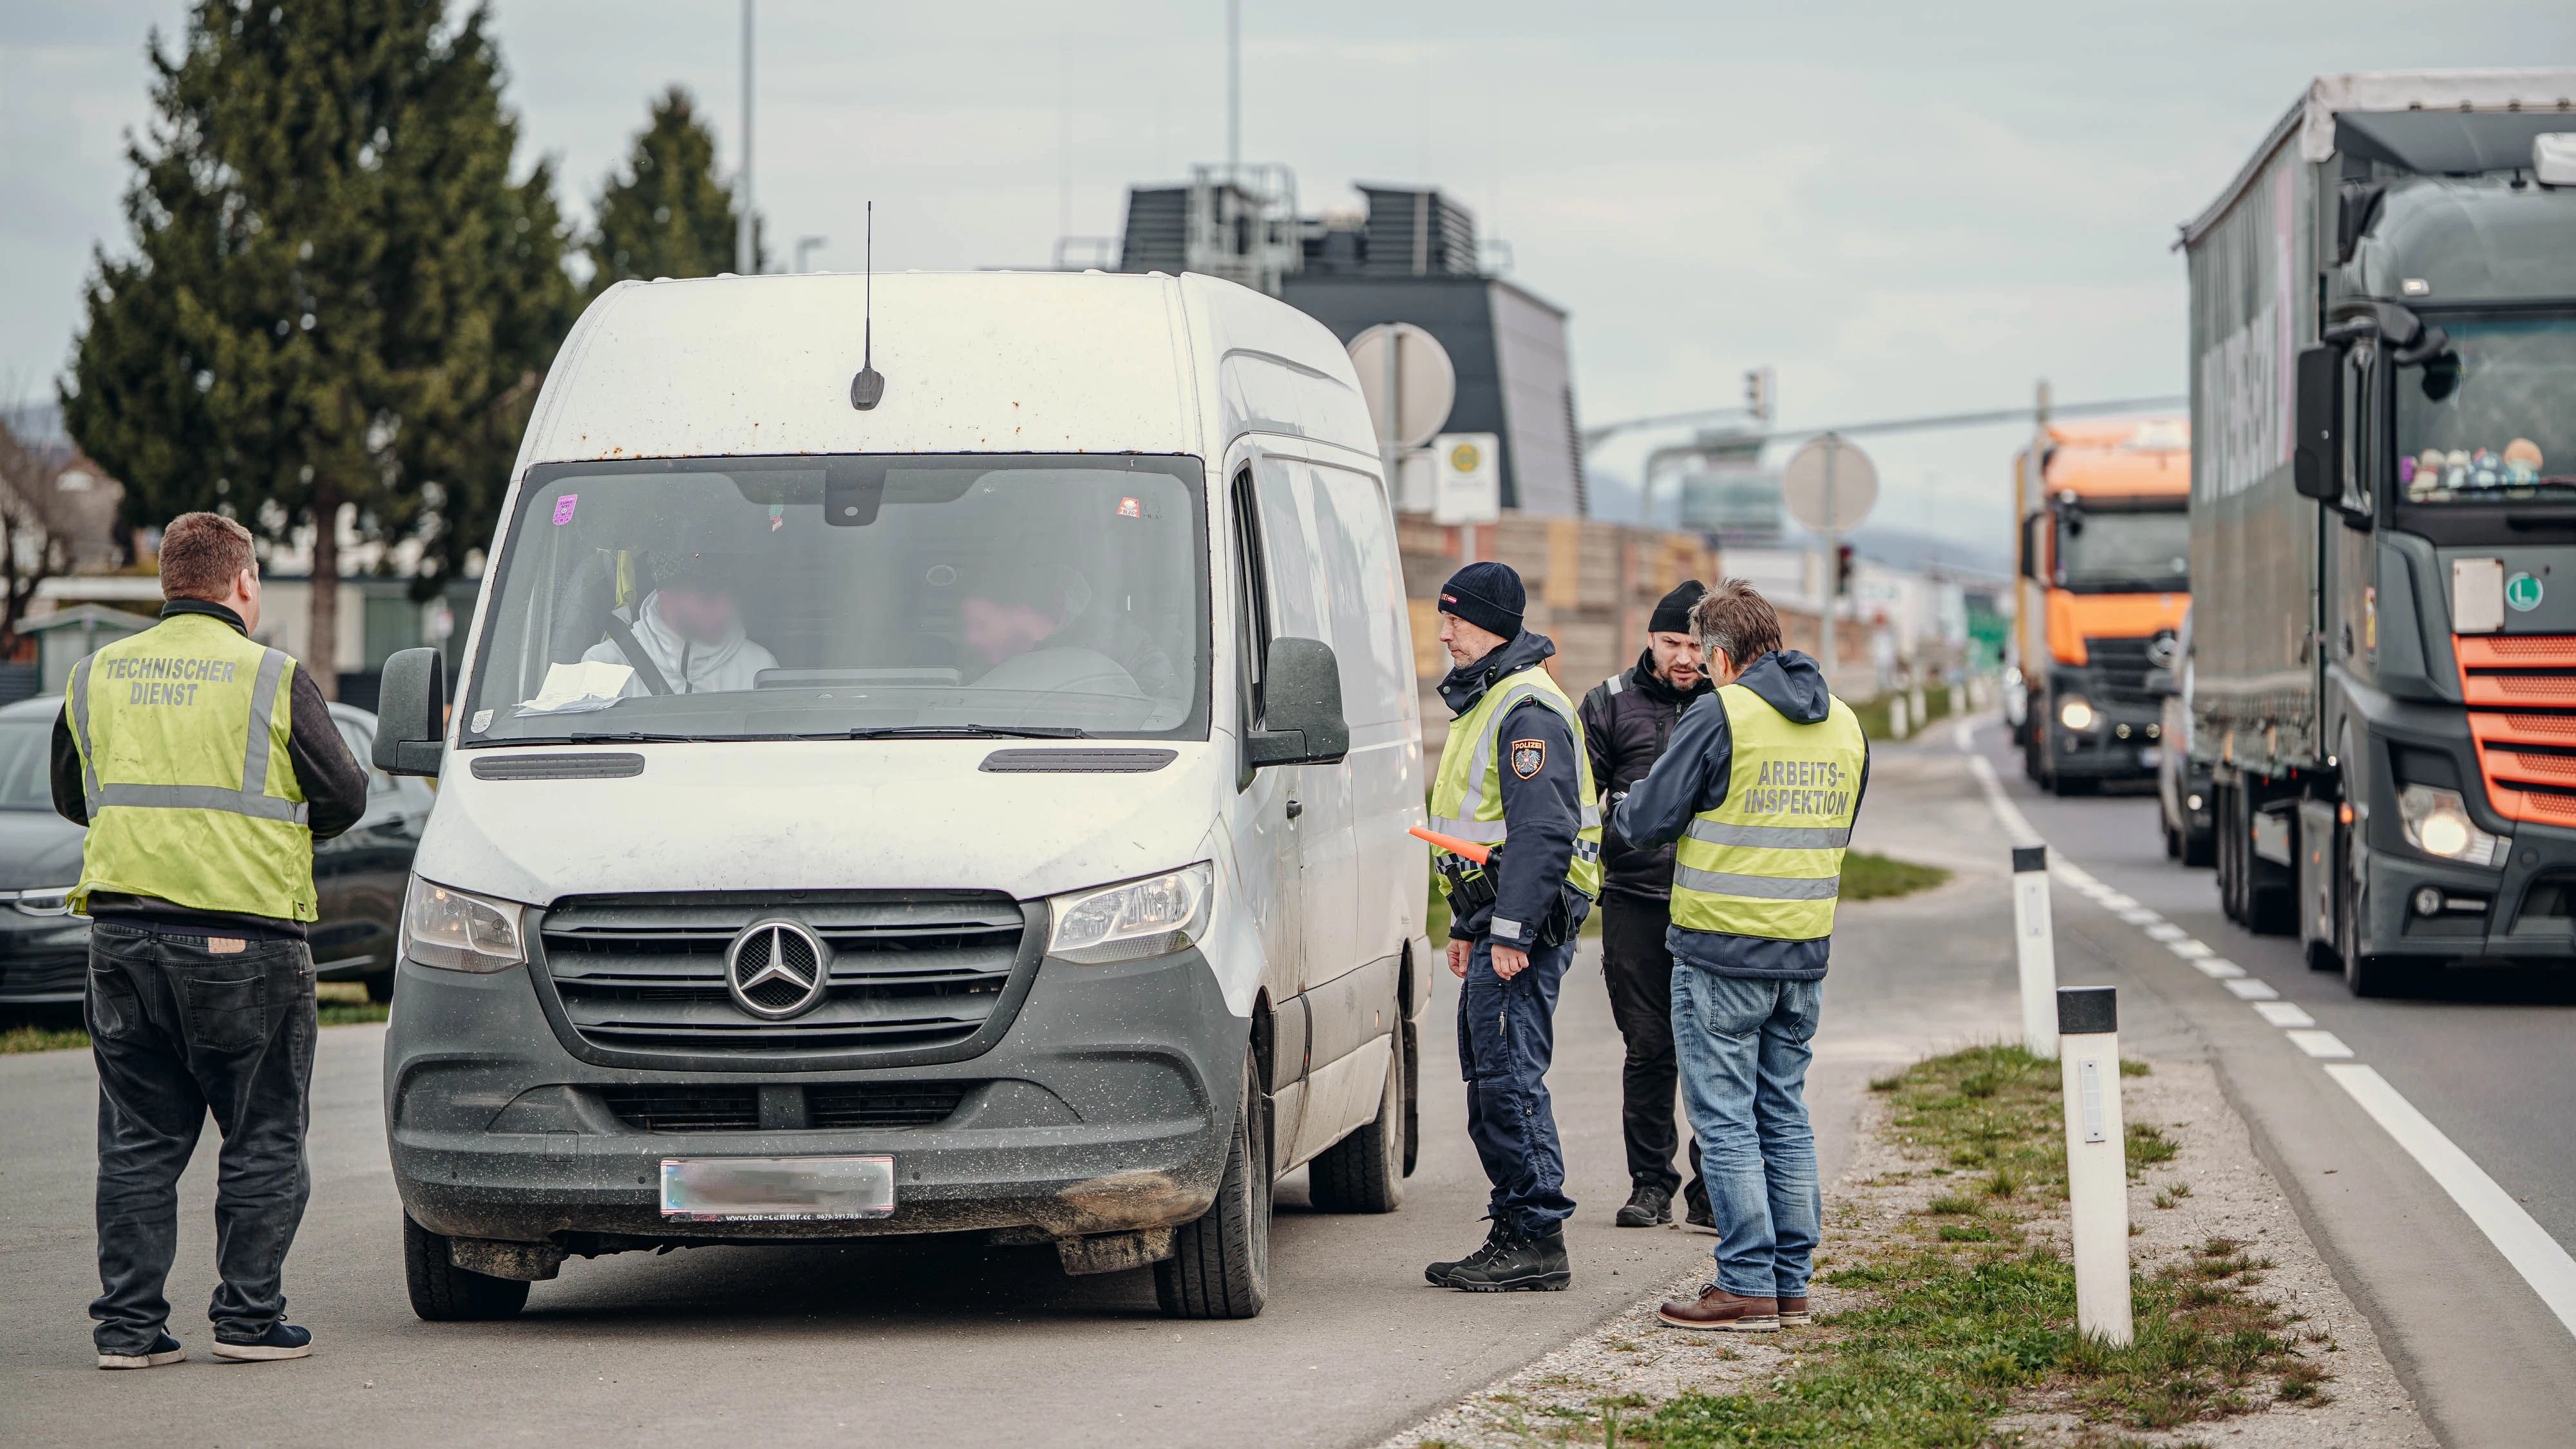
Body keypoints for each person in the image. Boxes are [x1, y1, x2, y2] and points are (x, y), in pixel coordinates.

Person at [52, 511, 368, 1368]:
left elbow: (74, 798)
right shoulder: (269, 676)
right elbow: (347, 792)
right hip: (246, 943)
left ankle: (128, 1328)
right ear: (245, 581)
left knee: (137, 1141)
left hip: (121, 939)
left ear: (166, 582)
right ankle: (250, 1318)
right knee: (263, 1132)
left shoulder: (94, 675)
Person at [1609, 579, 1868, 1334]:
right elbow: (1838, 827)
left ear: (1720, 658)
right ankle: (1790, 1286)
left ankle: (1745, 1282)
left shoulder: (1721, 712)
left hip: (1721, 948)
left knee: (1724, 1121)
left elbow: (1650, 820)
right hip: (1802, 950)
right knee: (1783, 1113)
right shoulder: (1844, 722)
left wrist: (1620, 809)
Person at [1419, 562, 1604, 1293]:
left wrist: (1511, 933)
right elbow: (1482, 836)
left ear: (1492, 625)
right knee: (1491, 1078)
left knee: (1509, 1080)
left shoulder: (1525, 710)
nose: (1443, 633)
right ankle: (1517, 1226)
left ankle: (1535, 1238)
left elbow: (1541, 834)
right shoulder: (1494, 698)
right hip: (1497, 920)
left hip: (1526, 928)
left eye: (1455, 620)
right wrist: (1470, 922)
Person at [1578, 579, 1715, 1231]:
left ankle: (1712, 1187)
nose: (1684, 657)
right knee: (1649, 1046)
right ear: (1648, 638)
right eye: (1671, 643)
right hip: (1634, 900)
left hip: (1710, 901)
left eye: (1695, 644)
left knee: (1713, 1049)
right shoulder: (1607, 704)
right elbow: (1577, 805)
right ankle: (1650, 1186)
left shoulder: (1732, 705)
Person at [582, 554, 778, 695]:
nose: (725, 609)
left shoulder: (760, 667)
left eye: (729, 596)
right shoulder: (605, 664)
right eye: (709, 598)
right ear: (667, 601)